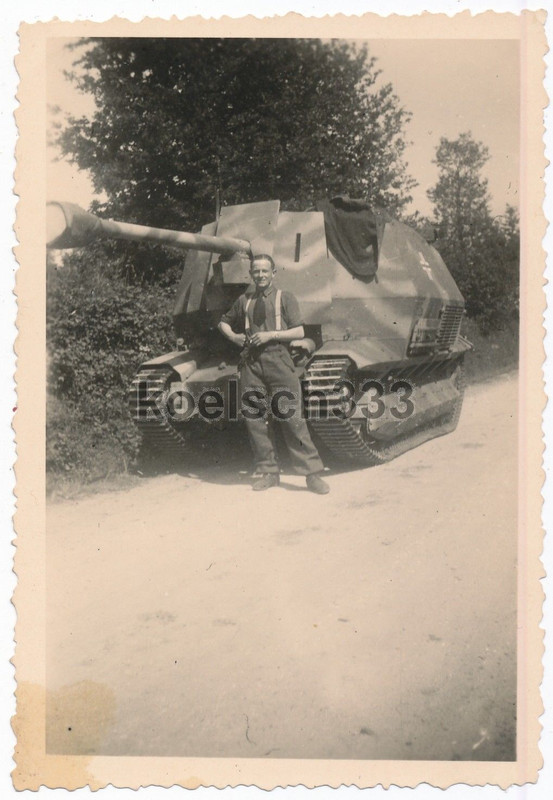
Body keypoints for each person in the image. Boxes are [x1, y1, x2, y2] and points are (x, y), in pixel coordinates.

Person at [218, 254, 330, 494]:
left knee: (292, 417)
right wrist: (234, 336)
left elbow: (299, 330)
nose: (260, 275)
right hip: (251, 362)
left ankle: (312, 474)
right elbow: (223, 322)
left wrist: (271, 335)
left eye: (265, 271)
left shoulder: (285, 298)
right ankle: (269, 472)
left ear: (273, 273)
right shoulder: (244, 300)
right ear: (251, 274)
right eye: (256, 271)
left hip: (279, 359)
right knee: (256, 419)